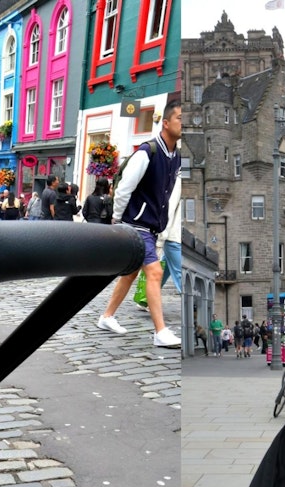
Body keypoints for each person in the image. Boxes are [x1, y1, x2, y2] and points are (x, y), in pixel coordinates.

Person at [100, 99, 184, 348]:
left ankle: (106, 317)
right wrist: (117, 218)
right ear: (166, 123)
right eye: (180, 118)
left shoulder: (175, 157)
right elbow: (124, 187)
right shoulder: (147, 152)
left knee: (130, 275)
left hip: (152, 226)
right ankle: (160, 331)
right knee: (156, 273)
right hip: (136, 224)